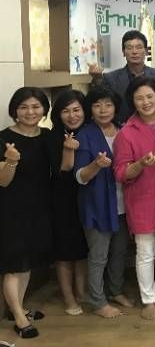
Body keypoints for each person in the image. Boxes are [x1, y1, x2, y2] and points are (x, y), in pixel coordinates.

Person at [113, 76, 155, 320]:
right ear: (132, 101)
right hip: (143, 197)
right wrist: (140, 164)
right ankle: (148, 299)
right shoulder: (126, 133)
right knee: (146, 250)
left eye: (150, 96)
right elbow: (121, 173)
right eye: (139, 98)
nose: (146, 102)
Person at [75, 85, 132, 318]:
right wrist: (96, 165)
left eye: (108, 104)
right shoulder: (85, 134)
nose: (103, 109)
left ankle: (116, 291)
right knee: (99, 256)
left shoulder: (124, 130)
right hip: (97, 205)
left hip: (124, 203)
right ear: (90, 109)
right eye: (97, 105)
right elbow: (80, 177)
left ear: (115, 107)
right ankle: (98, 301)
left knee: (119, 252)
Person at [0, 88, 53, 339]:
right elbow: (3, 181)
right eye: (23, 107)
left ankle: (17, 308)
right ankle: (19, 319)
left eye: (35, 106)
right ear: (15, 110)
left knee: (27, 262)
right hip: (12, 209)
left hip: (39, 208)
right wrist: (11, 160)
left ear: (44, 109)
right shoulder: (4, 139)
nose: (30, 112)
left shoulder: (47, 136)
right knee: (14, 265)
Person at [48, 90, 88, 316]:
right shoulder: (53, 136)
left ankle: (81, 292)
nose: (72, 116)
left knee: (82, 248)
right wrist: (68, 148)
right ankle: (68, 297)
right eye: (65, 111)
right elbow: (64, 170)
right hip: (62, 198)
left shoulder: (89, 131)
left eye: (76, 110)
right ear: (58, 114)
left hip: (86, 196)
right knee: (64, 250)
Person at [89, 30, 155, 124]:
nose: (134, 52)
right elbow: (99, 100)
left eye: (139, 47)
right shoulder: (110, 78)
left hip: (152, 127)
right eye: (129, 48)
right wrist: (97, 79)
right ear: (123, 52)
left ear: (146, 51)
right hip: (122, 127)